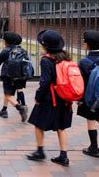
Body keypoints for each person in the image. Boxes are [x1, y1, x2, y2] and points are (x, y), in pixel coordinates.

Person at [27, 30, 73, 167]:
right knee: (61, 127)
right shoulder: (65, 57)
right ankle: (64, 156)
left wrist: (38, 97)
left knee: (37, 123)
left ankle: (40, 151)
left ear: (45, 46)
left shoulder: (46, 60)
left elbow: (45, 81)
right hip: (64, 97)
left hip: (49, 97)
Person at [0, 32, 28, 122]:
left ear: (6, 41)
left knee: (8, 95)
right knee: (8, 93)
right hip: (19, 76)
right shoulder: (22, 50)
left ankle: (20, 107)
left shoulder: (5, 51)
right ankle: (4, 110)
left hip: (7, 76)